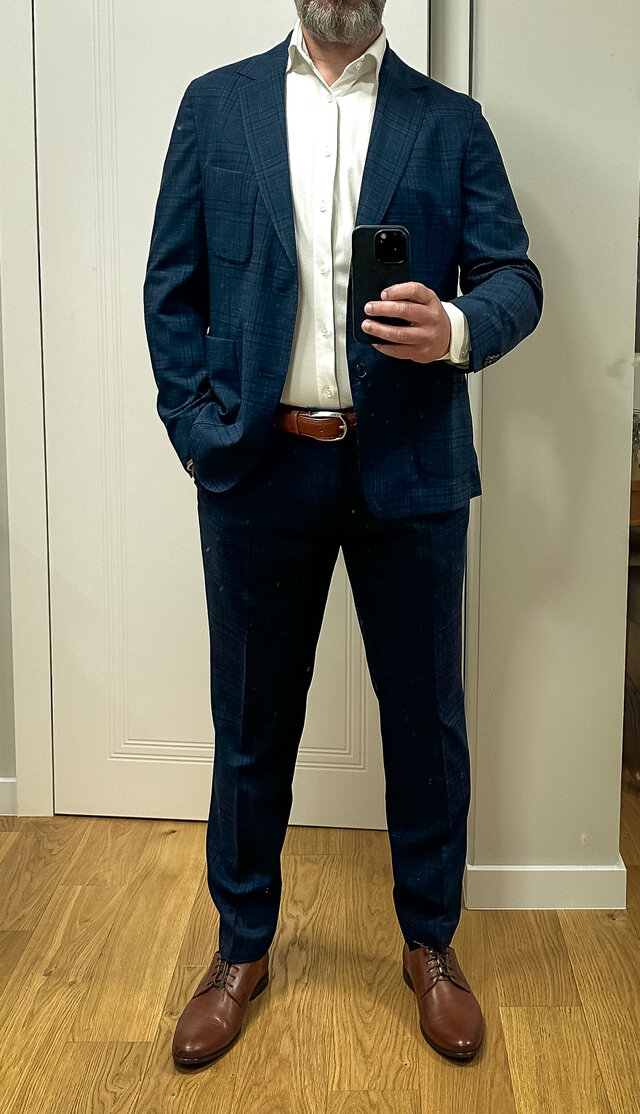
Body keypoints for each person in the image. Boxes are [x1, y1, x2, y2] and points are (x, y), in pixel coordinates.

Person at [143, 0, 543, 1070]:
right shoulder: (214, 108)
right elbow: (171, 288)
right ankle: (240, 946)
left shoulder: (448, 122)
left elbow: (515, 278)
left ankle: (430, 943)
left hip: (410, 469)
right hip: (257, 468)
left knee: (426, 722)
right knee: (250, 721)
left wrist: (454, 327)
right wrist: (197, 431)